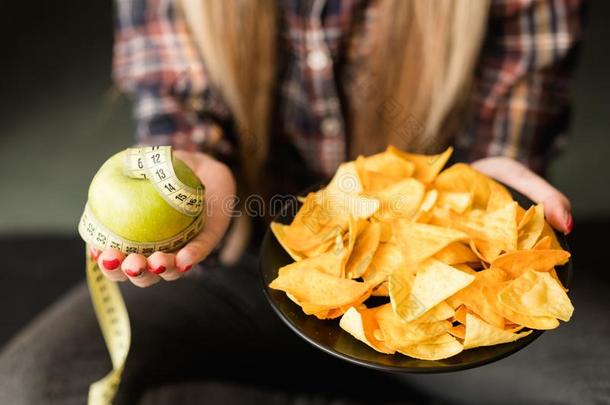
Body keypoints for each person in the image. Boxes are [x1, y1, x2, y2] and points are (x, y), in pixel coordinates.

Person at [0, 0, 585, 404]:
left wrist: (493, 188)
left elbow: (497, 162)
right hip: (237, 259)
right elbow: (179, 115)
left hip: (446, 313)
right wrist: (194, 178)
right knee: (34, 386)